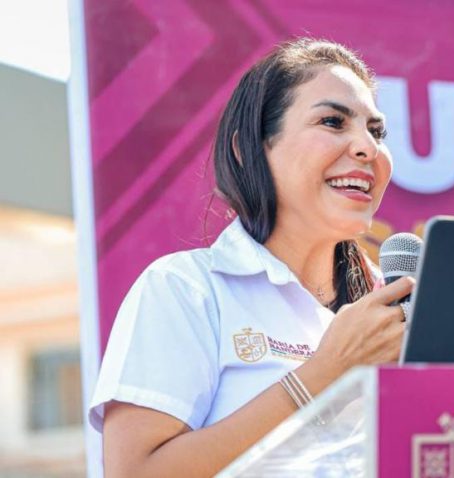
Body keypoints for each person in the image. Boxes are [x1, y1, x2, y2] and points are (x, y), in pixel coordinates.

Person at [88, 38, 414, 476]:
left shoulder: (396, 308)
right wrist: (326, 373)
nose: (367, 148)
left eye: (376, 132)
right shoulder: (186, 289)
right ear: (250, 149)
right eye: (333, 121)